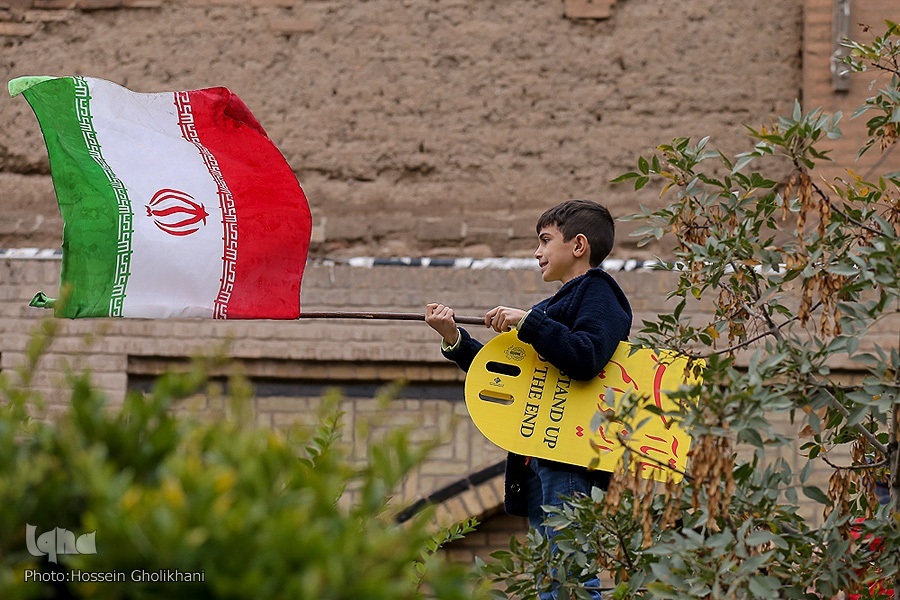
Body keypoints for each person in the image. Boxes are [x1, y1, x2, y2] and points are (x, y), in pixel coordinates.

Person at [425, 199, 632, 600]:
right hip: (539, 458)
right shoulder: (553, 307)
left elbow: (586, 356)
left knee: (570, 576)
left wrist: (529, 322)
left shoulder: (600, 293)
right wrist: (453, 338)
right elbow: (511, 379)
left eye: (544, 240)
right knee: (549, 578)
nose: (536, 252)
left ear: (578, 246)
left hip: (569, 456)